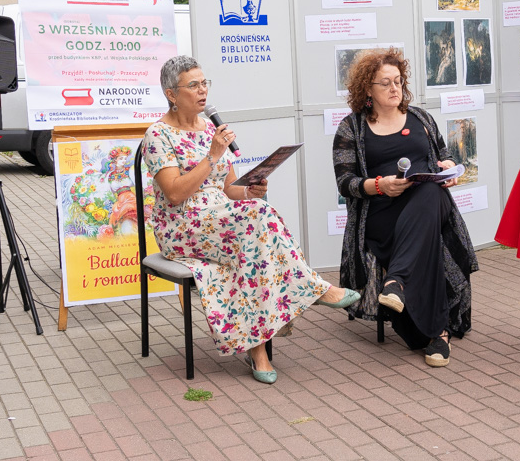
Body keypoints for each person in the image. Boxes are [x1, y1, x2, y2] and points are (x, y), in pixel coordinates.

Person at [143, 55, 359, 384]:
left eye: (205, 83)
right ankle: (316, 289)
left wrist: (250, 191)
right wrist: (212, 155)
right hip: (181, 225)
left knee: (254, 240)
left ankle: (257, 351)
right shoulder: (158, 136)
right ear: (171, 94)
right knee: (257, 225)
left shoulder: (211, 128)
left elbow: (228, 188)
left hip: (221, 219)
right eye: (193, 85)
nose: (202, 91)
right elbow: (173, 193)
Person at [332, 48, 479, 367]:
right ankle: (437, 333)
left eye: (398, 81)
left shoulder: (421, 118)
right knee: (426, 231)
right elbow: (345, 182)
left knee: (428, 192)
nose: (394, 88)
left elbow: (446, 154)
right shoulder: (351, 128)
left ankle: (397, 281)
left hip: (427, 204)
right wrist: (379, 185)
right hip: (381, 215)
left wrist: (449, 166)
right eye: (384, 83)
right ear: (366, 88)